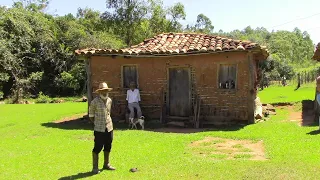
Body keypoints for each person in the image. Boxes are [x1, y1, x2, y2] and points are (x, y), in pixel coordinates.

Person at [89, 82, 116, 174]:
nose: (105, 92)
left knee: (108, 145)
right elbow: (91, 116)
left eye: (106, 90)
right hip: (99, 129)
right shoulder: (94, 102)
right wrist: (98, 123)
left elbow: (109, 113)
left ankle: (106, 164)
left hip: (109, 127)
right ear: (99, 92)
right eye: (103, 90)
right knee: (97, 147)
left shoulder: (109, 100)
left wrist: (107, 122)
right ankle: (95, 168)